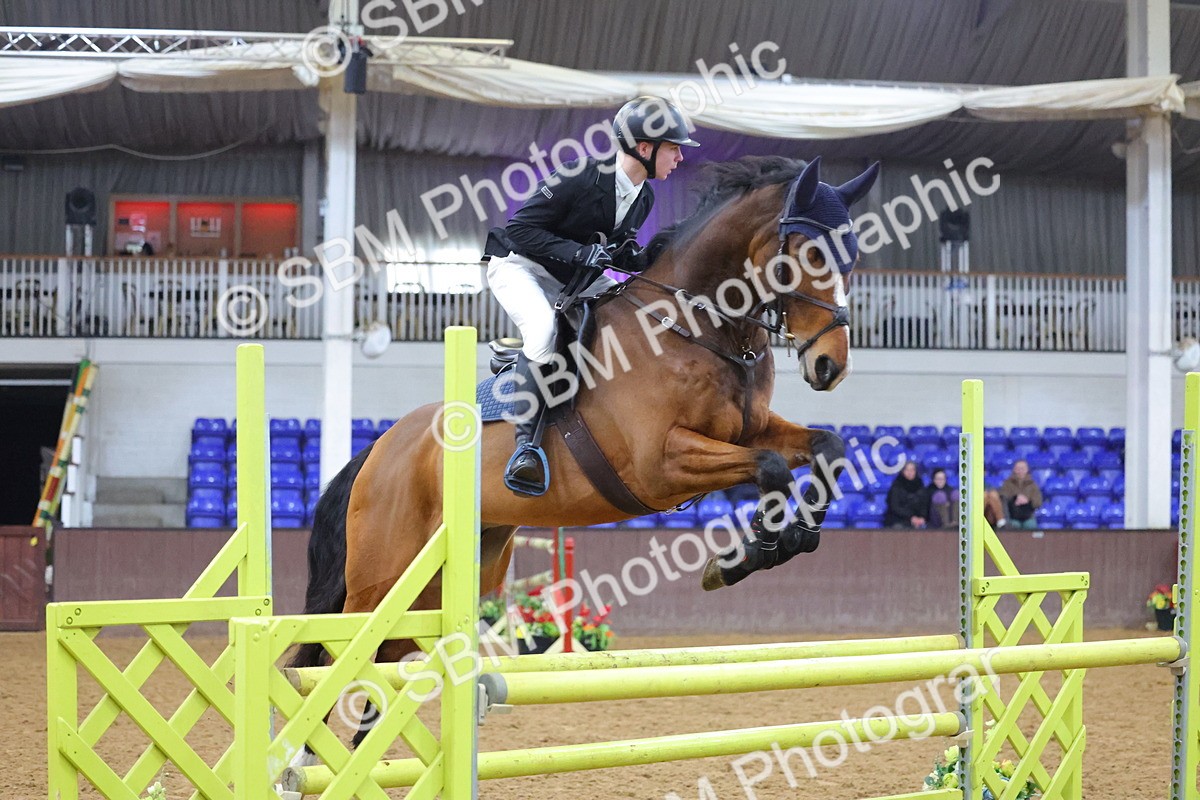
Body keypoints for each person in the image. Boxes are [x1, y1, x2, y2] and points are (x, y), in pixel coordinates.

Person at [482, 95, 699, 495]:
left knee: (629, 314)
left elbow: (618, 249)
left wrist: (649, 256)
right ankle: (526, 448)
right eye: (674, 148)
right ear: (645, 148)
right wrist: (580, 253)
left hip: (575, 276)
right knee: (545, 330)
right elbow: (520, 231)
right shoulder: (579, 175)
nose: (680, 158)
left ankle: (518, 360)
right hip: (520, 266)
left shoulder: (643, 196)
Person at [994, 459, 1043, 529]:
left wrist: (1027, 500)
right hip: (1012, 515)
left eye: (1023, 468)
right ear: (1014, 470)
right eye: (1018, 469)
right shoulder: (1007, 483)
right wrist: (1015, 498)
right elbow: (1003, 498)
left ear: (1027, 470)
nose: (1020, 471)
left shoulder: (1033, 485)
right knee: (1014, 525)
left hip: (1028, 516)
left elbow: (1038, 502)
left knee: (1030, 525)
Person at [884, 461, 928, 528]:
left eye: (912, 470)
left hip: (917, 520)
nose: (910, 472)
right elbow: (895, 507)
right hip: (899, 520)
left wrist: (922, 517)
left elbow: (924, 505)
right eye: (907, 470)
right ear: (903, 471)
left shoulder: (920, 486)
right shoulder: (896, 487)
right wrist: (911, 517)